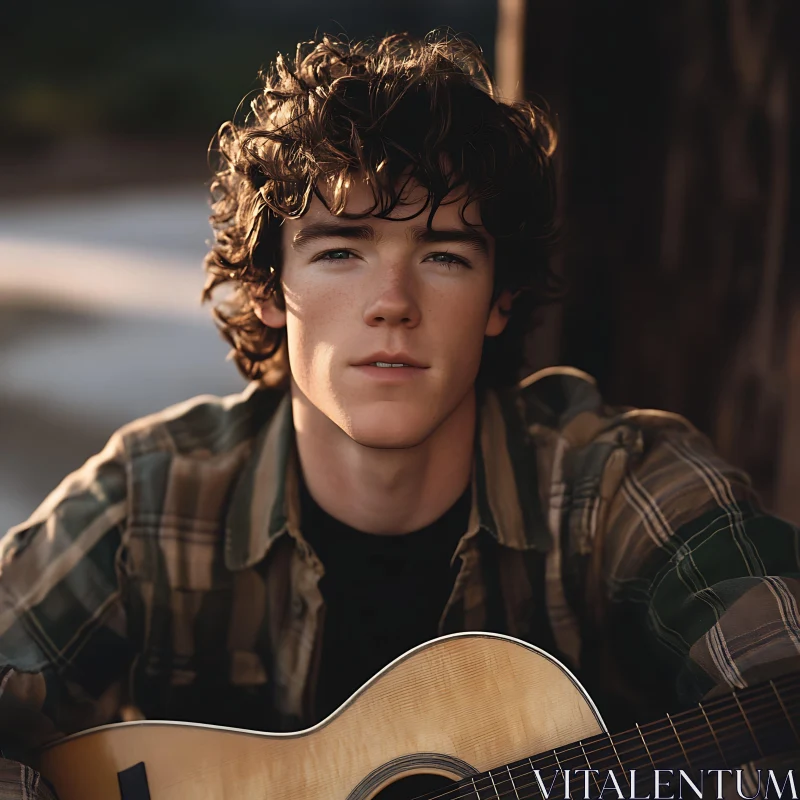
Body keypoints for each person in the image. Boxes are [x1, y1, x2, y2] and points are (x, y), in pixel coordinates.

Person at [0, 32, 797, 799]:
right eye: (341, 250)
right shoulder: (152, 502)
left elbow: (779, 680)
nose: (392, 305)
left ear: (500, 298)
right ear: (269, 291)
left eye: (444, 255)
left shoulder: (621, 486)